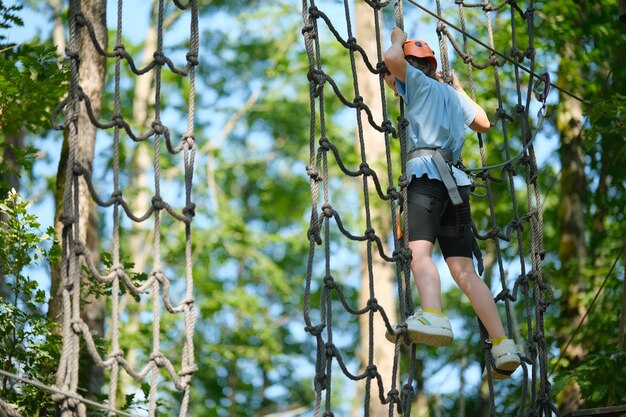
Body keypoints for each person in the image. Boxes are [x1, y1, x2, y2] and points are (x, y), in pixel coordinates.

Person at [383, 26, 520, 380]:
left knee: (419, 253)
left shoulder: (416, 83)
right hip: (457, 189)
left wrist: (397, 37)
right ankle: (502, 342)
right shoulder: (449, 94)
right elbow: (484, 123)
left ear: (414, 68)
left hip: (427, 180)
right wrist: (457, 85)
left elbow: (391, 60)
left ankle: (433, 313)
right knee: (464, 271)